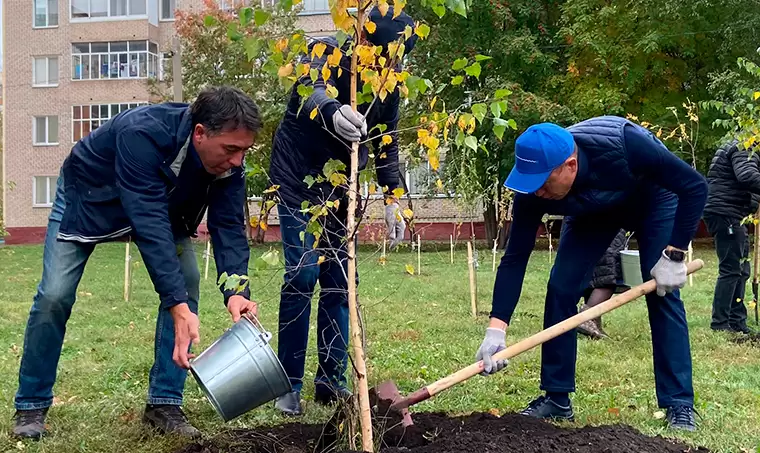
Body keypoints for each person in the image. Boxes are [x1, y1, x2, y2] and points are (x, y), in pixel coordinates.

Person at [12, 86, 262, 440]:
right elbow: (147, 219)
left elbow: (227, 225)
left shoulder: (229, 165)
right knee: (54, 295)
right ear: (200, 133)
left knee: (187, 283)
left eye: (244, 151)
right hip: (90, 199)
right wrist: (174, 303)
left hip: (164, 207)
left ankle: (164, 403)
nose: (238, 161)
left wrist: (236, 290)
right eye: (231, 150)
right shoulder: (142, 133)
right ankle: (31, 405)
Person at [475, 116, 708, 432]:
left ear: (570, 165)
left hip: (652, 198)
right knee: (561, 287)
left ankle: (679, 404)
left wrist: (675, 253)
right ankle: (557, 399)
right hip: (594, 209)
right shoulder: (533, 187)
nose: (538, 192)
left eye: (544, 182)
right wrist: (496, 329)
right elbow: (515, 258)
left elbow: (695, 186)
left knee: (661, 291)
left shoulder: (630, 145)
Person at [268, 6, 417, 416]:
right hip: (299, 181)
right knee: (302, 273)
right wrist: (334, 111)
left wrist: (393, 198)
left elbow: (387, 145)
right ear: (364, 39)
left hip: (342, 189)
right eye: (384, 53)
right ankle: (288, 383)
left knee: (339, 281)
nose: (391, 63)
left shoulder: (388, 86)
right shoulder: (323, 51)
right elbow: (308, 90)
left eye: (398, 57)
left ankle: (330, 381)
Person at [703, 139, 760, 334]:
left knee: (742, 269)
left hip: (735, 213)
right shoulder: (746, 145)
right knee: (731, 269)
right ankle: (720, 324)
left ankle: (737, 321)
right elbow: (747, 176)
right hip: (725, 212)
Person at [576, 228, 630, 339]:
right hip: (609, 225)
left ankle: (595, 325)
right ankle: (587, 317)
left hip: (585, 225)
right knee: (607, 280)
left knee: (594, 277)